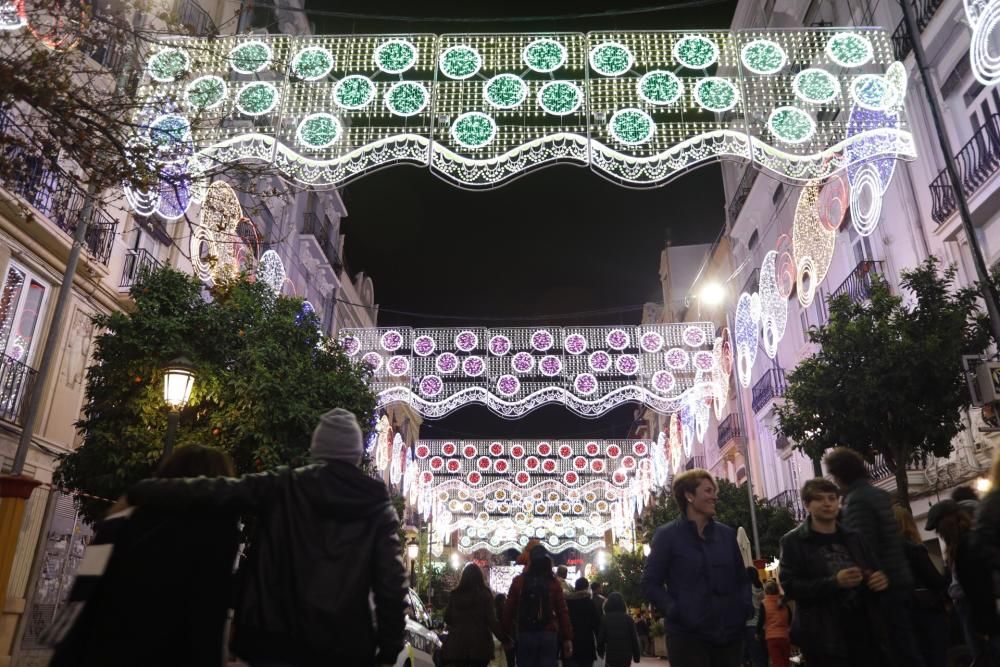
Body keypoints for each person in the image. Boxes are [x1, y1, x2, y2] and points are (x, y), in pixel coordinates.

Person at [124, 408, 407, 667]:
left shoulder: (285, 485)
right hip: (344, 647)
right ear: (356, 453)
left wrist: (146, 490)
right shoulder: (376, 507)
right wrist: (388, 649)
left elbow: (218, 490)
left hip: (275, 640)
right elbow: (392, 584)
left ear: (316, 447)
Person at [50, 445, 241, 667]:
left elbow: (81, 597)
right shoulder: (218, 533)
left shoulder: (118, 522)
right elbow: (207, 616)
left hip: (104, 650)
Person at [824, 447, 923, 667]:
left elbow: (863, 546)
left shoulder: (857, 501)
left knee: (895, 650)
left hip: (882, 587)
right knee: (906, 647)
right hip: (899, 578)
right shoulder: (876, 494)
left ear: (840, 475)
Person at [640, 468, 750, 665]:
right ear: (689, 496)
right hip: (687, 638)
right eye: (708, 491)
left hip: (728, 636)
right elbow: (650, 583)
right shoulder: (667, 536)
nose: (714, 497)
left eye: (714, 492)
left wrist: (743, 609)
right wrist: (675, 610)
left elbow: (741, 579)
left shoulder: (726, 535)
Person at [778, 478, 890, 667]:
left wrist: (879, 580)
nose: (828, 503)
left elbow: (873, 568)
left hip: (864, 631)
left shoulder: (854, 537)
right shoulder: (794, 541)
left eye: (832, 498)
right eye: (819, 499)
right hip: (823, 636)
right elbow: (790, 586)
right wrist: (834, 582)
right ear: (807, 505)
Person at [929, 499, 998, 662]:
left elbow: (978, 587)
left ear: (947, 524)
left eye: (939, 528)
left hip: (974, 610)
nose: (939, 533)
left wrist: (984, 624)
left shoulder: (965, 546)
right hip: (970, 609)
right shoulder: (961, 546)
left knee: (984, 655)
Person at [894, 505, 948, 667]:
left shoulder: (886, 552)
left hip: (904, 615)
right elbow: (935, 581)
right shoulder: (913, 549)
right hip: (927, 612)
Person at [503, 548, 573, 667]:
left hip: (525, 634)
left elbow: (508, 610)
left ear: (530, 561)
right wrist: (567, 638)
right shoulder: (554, 582)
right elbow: (562, 611)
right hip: (548, 634)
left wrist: (505, 636)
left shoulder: (519, 581)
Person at [442, 563, 507, 667]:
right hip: (480, 647)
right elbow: (492, 621)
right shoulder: (485, 595)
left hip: (457, 646)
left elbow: (447, 618)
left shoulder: (455, 595)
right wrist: (504, 639)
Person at [596, 592, 641, 667]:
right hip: (626, 656)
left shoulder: (605, 619)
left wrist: (600, 652)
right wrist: (636, 657)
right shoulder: (628, 619)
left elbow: (601, 638)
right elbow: (634, 639)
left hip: (611, 655)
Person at [565, 576, 600, 667]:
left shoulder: (568, 602)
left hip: (571, 642)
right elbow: (596, 624)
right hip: (587, 643)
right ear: (586, 588)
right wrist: (600, 643)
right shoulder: (589, 603)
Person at [755, 580, 791, 667]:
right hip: (785, 636)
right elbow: (790, 617)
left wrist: (757, 632)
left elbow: (761, 619)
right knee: (785, 662)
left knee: (777, 662)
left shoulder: (764, 603)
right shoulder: (784, 602)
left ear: (766, 591)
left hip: (771, 637)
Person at [744, 567, 767, 667]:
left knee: (756, 659)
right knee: (763, 658)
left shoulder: (747, 589)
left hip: (750, 626)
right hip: (762, 626)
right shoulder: (761, 587)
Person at [493, 594, 516, 667]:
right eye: (504, 600)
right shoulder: (506, 612)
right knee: (510, 661)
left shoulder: (494, 613)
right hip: (508, 639)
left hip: (502, 640)